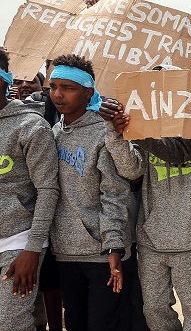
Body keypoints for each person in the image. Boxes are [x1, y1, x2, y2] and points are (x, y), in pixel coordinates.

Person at [100, 65, 191, 331]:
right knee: (154, 309)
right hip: (152, 243)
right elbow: (130, 169)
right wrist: (115, 132)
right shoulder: (142, 135)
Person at [48, 54, 132, 331]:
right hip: (64, 251)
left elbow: (114, 193)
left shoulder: (103, 133)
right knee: (74, 321)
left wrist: (113, 246)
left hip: (101, 253)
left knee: (102, 324)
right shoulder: (53, 132)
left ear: (88, 92)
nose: (58, 94)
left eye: (67, 88)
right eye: (53, 86)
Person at [0, 49, 60, 331]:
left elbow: (48, 190)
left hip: (17, 242)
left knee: (11, 323)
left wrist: (32, 250)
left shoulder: (31, 126)